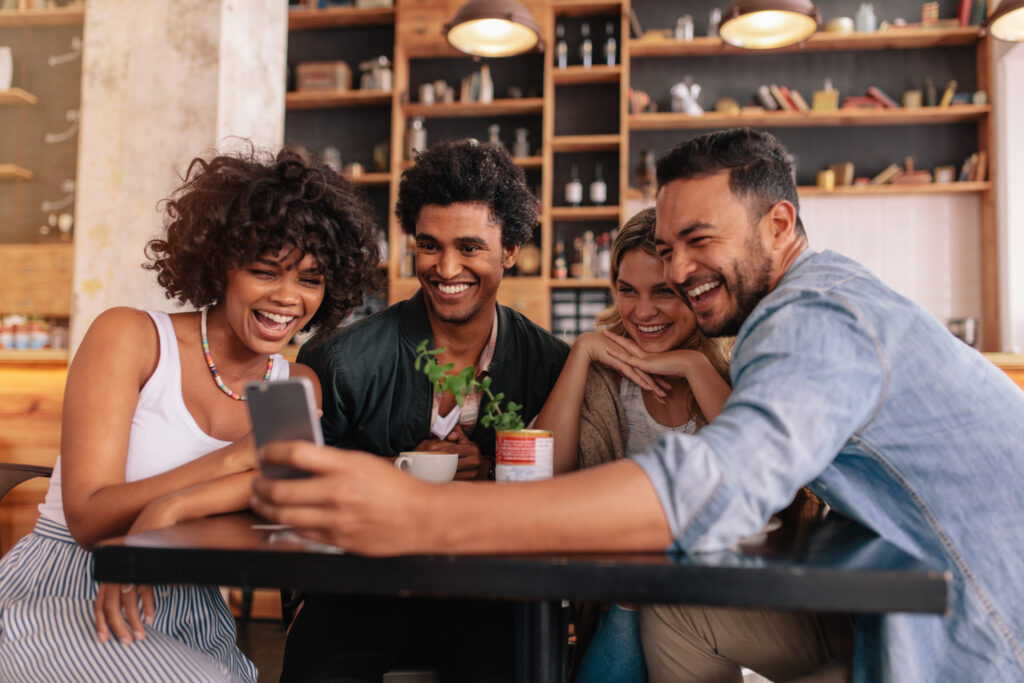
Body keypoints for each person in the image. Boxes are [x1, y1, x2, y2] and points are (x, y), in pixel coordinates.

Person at [252, 128, 1024, 683]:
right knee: (670, 619)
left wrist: (420, 514)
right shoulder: (802, 309)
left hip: (993, 611)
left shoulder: (815, 315)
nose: (681, 271)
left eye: (698, 241)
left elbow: (721, 478)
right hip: (927, 591)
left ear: (780, 224)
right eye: (665, 247)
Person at [0, 147, 384, 682]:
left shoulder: (294, 384)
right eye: (264, 271)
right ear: (220, 262)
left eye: (310, 280)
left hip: (193, 604)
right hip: (70, 586)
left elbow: (282, 502)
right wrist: (234, 462)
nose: (287, 298)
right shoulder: (131, 338)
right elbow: (89, 519)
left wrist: (171, 510)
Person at [282, 138, 569, 681]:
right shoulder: (339, 359)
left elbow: (566, 489)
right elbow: (297, 486)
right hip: (361, 583)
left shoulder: (550, 364)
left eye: (469, 247)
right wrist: (395, 473)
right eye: (429, 245)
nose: (446, 267)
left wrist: (494, 474)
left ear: (510, 250)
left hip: (492, 589)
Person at [534, 208, 732, 682]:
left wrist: (695, 367)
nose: (642, 312)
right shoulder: (604, 372)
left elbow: (761, 469)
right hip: (617, 594)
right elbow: (544, 475)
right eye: (627, 290)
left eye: (663, 291)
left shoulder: (733, 366)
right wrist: (581, 351)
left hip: (708, 595)